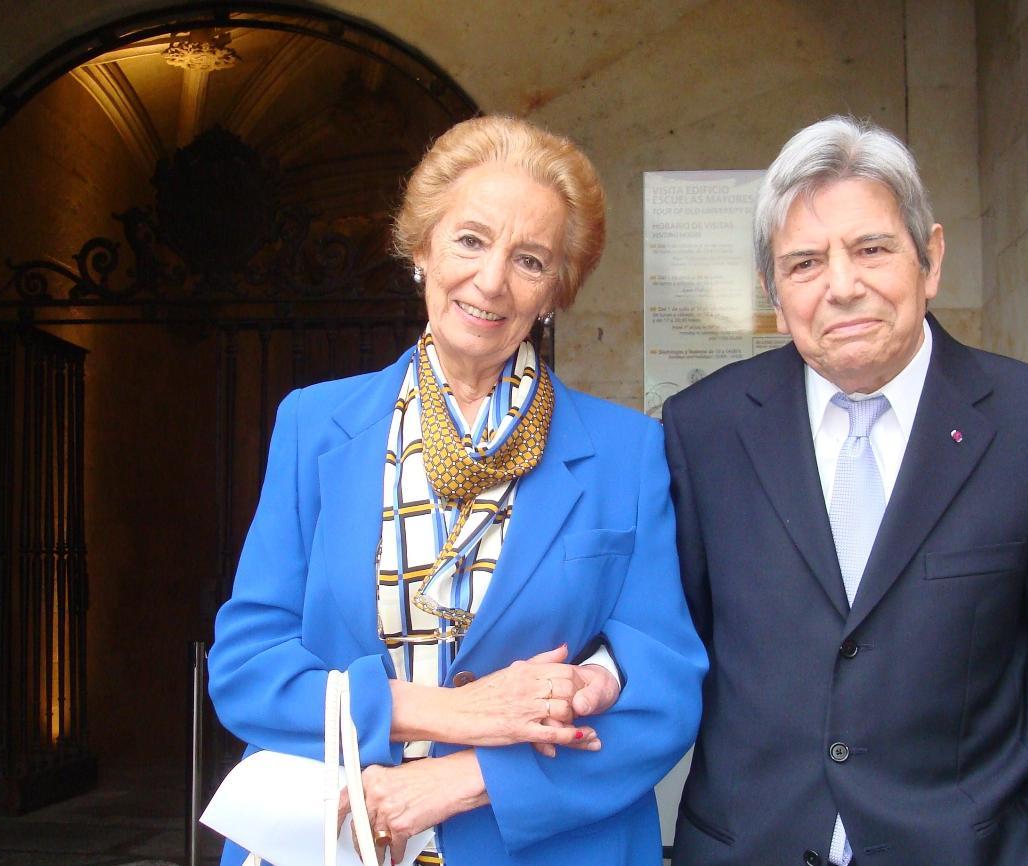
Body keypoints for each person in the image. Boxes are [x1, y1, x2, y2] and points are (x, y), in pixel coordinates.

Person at [209, 115, 706, 866]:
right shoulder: (315, 426)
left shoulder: (627, 452)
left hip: (549, 848)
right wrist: (447, 713)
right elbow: (248, 670)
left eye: (531, 259)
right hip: (335, 840)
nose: (492, 281)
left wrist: (472, 777)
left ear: (555, 291)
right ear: (422, 250)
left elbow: (662, 690)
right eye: (470, 240)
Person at [662, 116, 1028, 866]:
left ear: (930, 258)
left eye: (872, 249)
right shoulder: (702, 432)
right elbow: (664, 648)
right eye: (805, 263)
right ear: (773, 293)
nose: (841, 286)